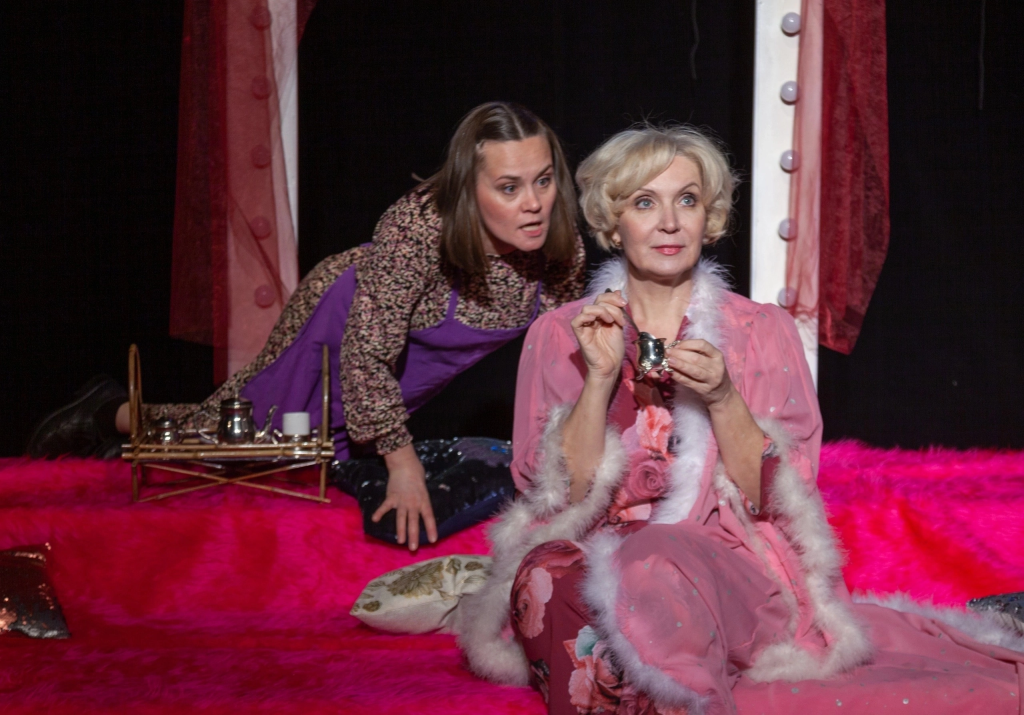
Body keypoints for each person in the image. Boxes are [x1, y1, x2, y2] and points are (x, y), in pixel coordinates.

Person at [457, 125, 1024, 714]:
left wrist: (724, 397)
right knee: (545, 574)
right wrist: (598, 380)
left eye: (687, 200)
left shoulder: (761, 331)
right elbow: (556, 497)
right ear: (612, 222)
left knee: (655, 556)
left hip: (726, 565)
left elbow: (780, 496)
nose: (669, 222)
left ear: (709, 216)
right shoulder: (559, 335)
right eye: (644, 203)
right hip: (596, 554)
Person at [29, 101, 586, 552]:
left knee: (311, 452)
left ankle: (120, 420)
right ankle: (108, 412)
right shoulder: (418, 226)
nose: (534, 204)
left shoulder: (560, 249)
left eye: (543, 181)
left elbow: (558, 362)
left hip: (406, 366)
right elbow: (367, 352)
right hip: (343, 324)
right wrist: (403, 464)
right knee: (251, 436)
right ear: (468, 189)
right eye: (509, 187)